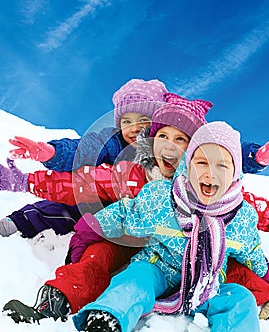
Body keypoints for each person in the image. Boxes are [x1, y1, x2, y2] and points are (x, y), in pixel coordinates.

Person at [55, 121, 269, 332]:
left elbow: (252, 252)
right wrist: (87, 230)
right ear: (187, 164)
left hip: (207, 283)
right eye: (201, 162)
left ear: (235, 173)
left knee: (240, 298)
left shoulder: (241, 217)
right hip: (158, 268)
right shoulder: (162, 197)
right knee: (134, 279)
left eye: (222, 165)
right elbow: (126, 215)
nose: (210, 173)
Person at [2, 94, 212, 321]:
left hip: (174, 259)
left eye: (180, 139)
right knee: (97, 255)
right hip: (130, 240)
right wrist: (27, 181)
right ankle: (55, 302)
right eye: (162, 136)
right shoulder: (133, 174)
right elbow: (84, 183)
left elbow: (241, 212)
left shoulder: (206, 187)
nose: (169, 145)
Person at [0, 78, 168, 238]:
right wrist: (53, 152)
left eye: (144, 120)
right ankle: (21, 221)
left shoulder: (166, 149)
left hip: (144, 219)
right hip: (105, 204)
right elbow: (86, 149)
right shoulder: (113, 142)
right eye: (126, 122)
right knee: (75, 196)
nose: (134, 128)